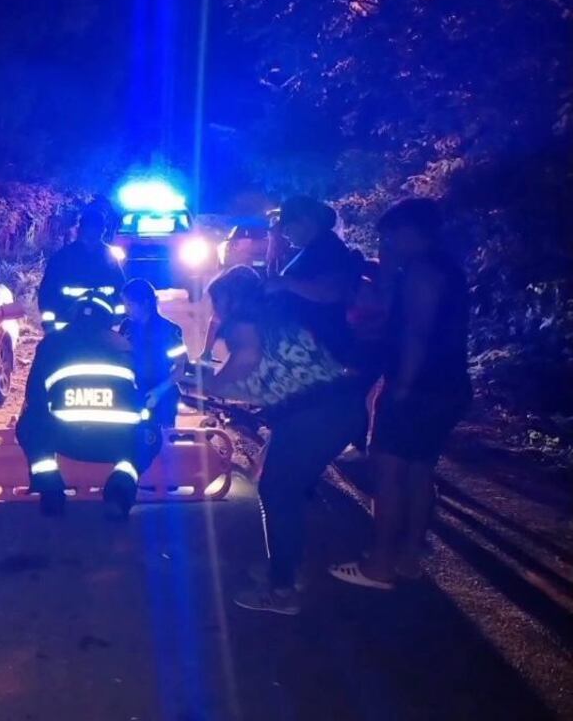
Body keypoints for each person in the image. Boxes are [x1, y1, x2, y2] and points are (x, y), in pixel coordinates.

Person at [181, 266, 366, 615]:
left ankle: (281, 591)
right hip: (340, 407)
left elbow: (246, 359)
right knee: (286, 490)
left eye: (219, 303)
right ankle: (288, 568)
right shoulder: (279, 316)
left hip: (313, 415)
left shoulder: (243, 322)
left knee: (277, 492)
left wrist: (209, 385)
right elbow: (264, 380)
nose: (217, 313)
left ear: (232, 299)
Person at [330, 199, 471, 589]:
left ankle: (380, 565)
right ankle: (408, 558)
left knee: (389, 472)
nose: (387, 242)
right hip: (447, 386)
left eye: (391, 234)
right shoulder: (446, 270)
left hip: (419, 388)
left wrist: (400, 388)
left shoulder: (423, 273)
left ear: (412, 232)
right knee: (419, 471)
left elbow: (416, 334)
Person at [16, 293, 161, 519]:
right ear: (108, 318)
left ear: (72, 315)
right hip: (117, 443)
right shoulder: (126, 345)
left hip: (67, 441)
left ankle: (50, 487)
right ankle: (122, 484)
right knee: (151, 431)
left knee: (29, 422)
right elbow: (144, 394)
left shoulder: (50, 344)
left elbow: (34, 397)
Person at [265, 196, 364, 365]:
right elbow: (274, 282)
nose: (285, 233)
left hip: (318, 348)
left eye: (287, 227)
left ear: (305, 221)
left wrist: (287, 283)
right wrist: (273, 246)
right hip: (302, 344)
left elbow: (331, 291)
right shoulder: (309, 249)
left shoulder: (328, 247)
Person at [37, 204, 127, 333]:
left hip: (104, 321)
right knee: (48, 351)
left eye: (99, 228)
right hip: (67, 321)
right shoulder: (64, 257)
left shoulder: (109, 256)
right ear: (82, 229)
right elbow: (48, 290)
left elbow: (121, 288)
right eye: (92, 227)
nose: (96, 232)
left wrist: (120, 318)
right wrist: (49, 319)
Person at [119, 278, 188, 427]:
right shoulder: (126, 327)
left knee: (162, 443)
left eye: (130, 304)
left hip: (162, 395)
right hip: (132, 392)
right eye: (125, 304)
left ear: (146, 302)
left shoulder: (169, 331)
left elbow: (180, 368)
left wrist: (159, 392)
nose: (126, 309)